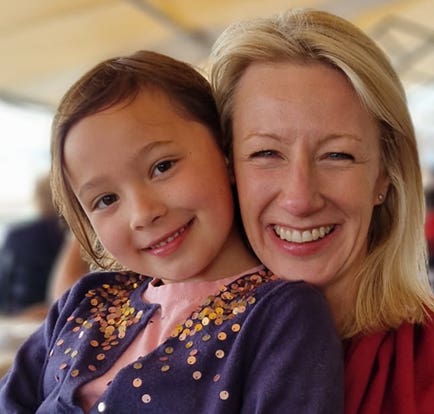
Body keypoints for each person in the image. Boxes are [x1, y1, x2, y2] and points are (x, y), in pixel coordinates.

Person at [209, 9, 434, 412]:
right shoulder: (161, 365)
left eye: (338, 155)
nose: (300, 198)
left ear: (385, 175)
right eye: (266, 153)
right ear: (227, 169)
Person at [0, 50, 343, 413]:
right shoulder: (85, 301)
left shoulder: (282, 316)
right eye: (105, 199)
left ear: (226, 153)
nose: (143, 214)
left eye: (162, 166)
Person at [0, 174, 66, 314]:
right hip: (56, 311)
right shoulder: (74, 236)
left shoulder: (17, 234)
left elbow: (4, 285)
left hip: (20, 313)